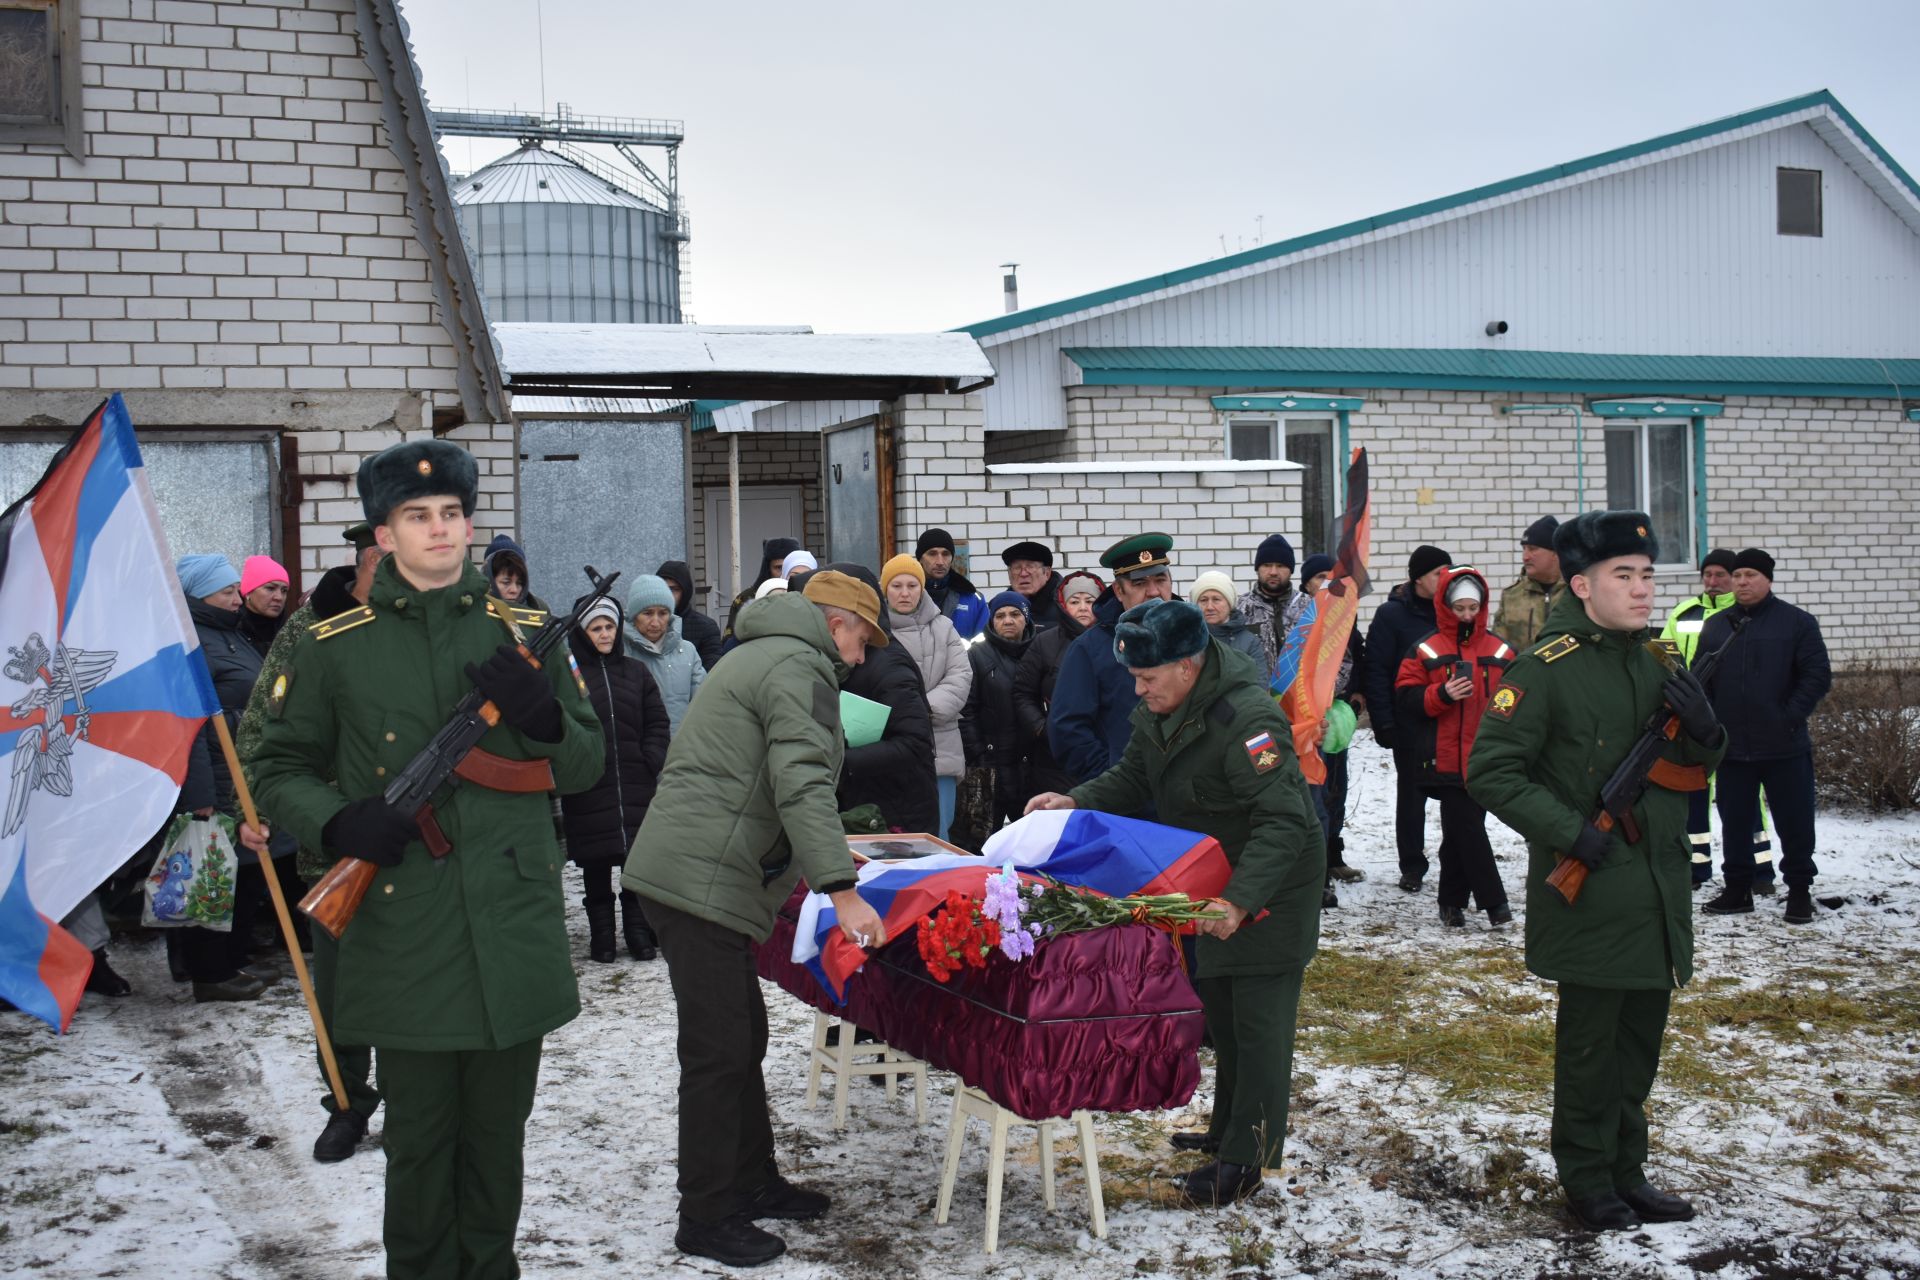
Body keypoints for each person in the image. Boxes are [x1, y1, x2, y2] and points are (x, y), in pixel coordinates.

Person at [251, 439, 604, 1279]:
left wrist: (545, 721)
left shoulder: (524, 632)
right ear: (385, 535)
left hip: (510, 930)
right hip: (403, 931)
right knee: (417, 1146)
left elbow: (586, 763)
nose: (439, 530)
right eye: (418, 517)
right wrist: (337, 824)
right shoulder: (330, 642)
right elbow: (271, 763)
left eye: (451, 514)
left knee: (497, 1142)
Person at [622, 572, 889, 1268]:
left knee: (743, 1036)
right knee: (718, 1051)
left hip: (703, 872)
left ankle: (750, 1181)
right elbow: (799, 781)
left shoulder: (763, 651)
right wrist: (842, 888)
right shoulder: (799, 665)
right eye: (862, 638)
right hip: (699, 878)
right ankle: (706, 1214)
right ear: (836, 625)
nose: (861, 657)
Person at [1468, 510, 1724, 1233]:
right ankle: (1586, 1177)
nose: (1643, 589)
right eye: (1624, 576)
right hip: (1592, 892)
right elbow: (1492, 771)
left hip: (1657, 891)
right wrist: (1570, 833)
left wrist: (1711, 736)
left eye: (1647, 575)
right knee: (1590, 1051)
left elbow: (1686, 770)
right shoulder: (1544, 671)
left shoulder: (1657, 660)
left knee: (1638, 1047)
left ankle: (1627, 1171)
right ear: (1581, 585)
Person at [1027, 599, 1323, 1207]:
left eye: (1148, 678)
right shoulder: (1162, 709)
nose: (1139, 690)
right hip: (1210, 878)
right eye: (1134, 678)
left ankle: (1249, 1158)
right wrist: (1074, 801)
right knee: (1222, 1010)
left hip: (1271, 882)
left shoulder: (1246, 719)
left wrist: (1241, 902)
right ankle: (1226, 1130)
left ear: (1188, 666)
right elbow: (1133, 776)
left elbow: (1284, 820)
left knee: (1259, 1021)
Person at [237, 520, 386, 1163]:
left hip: (420, 845)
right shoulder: (307, 630)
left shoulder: (424, 627)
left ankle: (416, 1104)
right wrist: (253, 800)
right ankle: (347, 1106)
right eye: (381, 558)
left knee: (415, 986)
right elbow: (262, 726)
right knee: (341, 991)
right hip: (332, 843)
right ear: (360, 562)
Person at [175, 552, 298, 1004]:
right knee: (214, 877)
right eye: (227, 591)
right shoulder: (194, 644)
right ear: (200, 594)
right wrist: (202, 795)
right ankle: (210, 972)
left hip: (245, 772)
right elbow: (191, 725)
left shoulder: (228, 636)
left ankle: (229, 959)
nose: (236, 598)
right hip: (217, 779)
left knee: (245, 874)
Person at [1696, 548, 1832, 924]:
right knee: (1735, 820)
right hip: (1733, 748)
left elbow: (1816, 675)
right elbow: (1700, 679)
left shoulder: (1796, 623)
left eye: (1750, 576)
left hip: (1783, 746)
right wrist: (1711, 724)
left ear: (1768, 580)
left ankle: (1799, 892)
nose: (1742, 582)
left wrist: (1787, 717)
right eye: (1737, 576)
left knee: (1795, 821)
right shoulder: (1718, 625)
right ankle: (1737, 888)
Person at [1394, 567, 1516, 928]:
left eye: (1472, 608)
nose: (1466, 615)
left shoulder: (1501, 650)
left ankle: (1450, 902)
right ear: (1446, 606)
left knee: (1461, 831)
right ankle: (1496, 903)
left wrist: (1502, 709)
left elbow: (1518, 696)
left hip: (1484, 755)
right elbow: (1405, 697)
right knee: (1468, 827)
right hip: (1442, 755)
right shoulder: (1427, 648)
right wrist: (1441, 695)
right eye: (1459, 608)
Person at [563, 592, 670, 964]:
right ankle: (603, 938)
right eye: (596, 628)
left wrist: (650, 759)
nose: (605, 634)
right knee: (595, 870)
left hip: (636, 785)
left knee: (635, 868)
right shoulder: (571, 677)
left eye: (610, 626)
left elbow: (657, 721)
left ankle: (639, 934)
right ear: (582, 632)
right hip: (590, 788)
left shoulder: (635, 673)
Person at [1660, 549, 1773, 890]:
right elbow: (1667, 656)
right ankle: (1696, 868)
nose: (1712, 581)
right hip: (1692, 718)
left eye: (1720, 575)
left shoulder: (1743, 615)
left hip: (1735, 719)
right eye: (1707, 574)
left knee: (1744, 795)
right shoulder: (1684, 612)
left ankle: (1760, 870)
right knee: (1693, 791)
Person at [1051, 535, 1178, 785]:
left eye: (1160, 580)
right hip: (1128, 806)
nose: (1153, 592)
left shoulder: (1193, 638)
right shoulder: (1090, 649)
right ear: (1119, 591)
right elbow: (1067, 731)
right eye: (1140, 583)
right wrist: (1115, 780)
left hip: (1192, 803)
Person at [1364, 545, 1452, 892]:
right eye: (1437, 573)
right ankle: (1412, 865)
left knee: (1455, 795)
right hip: (1409, 722)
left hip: (1449, 719)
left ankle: (1456, 860)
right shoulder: (1392, 615)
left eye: (1449, 571)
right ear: (1418, 578)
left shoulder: (1455, 612)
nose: (1445, 579)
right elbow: (1377, 669)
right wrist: (1383, 721)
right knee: (1412, 795)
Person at [828, 561, 940, 836]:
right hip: (864, 808)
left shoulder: (887, 664)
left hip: (898, 816)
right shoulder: (840, 660)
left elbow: (915, 742)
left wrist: (840, 760)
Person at [1286, 554, 1367, 888]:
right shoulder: (1298, 618)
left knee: (1335, 786)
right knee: (1308, 788)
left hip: (1332, 717)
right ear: (1307, 584)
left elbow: (1356, 658)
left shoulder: (1343, 619)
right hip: (1299, 719)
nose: (1326, 584)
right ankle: (1308, 863)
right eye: (1320, 577)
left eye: (1330, 578)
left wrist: (1347, 691)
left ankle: (1333, 854)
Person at [882, 552, 973, 841]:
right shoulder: (874, 630)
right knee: (891, 836)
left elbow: (960, 676)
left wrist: (921, 712)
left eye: (912, 585)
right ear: (885, 590)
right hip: (887, 745)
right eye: (897, 586)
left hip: (939, 745)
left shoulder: (943, 627)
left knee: (937, 833)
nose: (905, 593)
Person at [1013, 570, 1103, 796]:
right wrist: (1042, 728)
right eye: (1075, 601)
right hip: (1054, 757)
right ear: (1063, 604)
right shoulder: (1045, 643)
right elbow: (1023, 692)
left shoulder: (1114, 640)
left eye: (1090, 601)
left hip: (1103, 751)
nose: (1083, 607)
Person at [959, 590, 1035, 840]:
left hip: (1031, 764)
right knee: (981, 842)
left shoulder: (1040, 649)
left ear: (1026, 618)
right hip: (988, 764)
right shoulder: (977, 655)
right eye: (1000, 615)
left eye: (1015, 614)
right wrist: (979, 752)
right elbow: (967, 708)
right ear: (991, 621)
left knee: (1031, 841)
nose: (1008, 621)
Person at [625, 573, 707, 733]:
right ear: (634, 616)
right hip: (640, 750)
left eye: (663, 613)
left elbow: (704, 702)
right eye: (647, 613)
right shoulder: (622, 652)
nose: (655, 622)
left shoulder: (688, 651)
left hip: (682, 748)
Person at [1494, 516, 1565, 652]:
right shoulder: (1511, 596)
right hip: (1524, 672)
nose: (1525, 557)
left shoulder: (1577, 594)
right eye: (1524, 549)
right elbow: (1500, 648)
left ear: (1555, 553)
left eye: (1532, 549)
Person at [721, 536, 803, 648]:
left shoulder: (809, 595)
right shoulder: (747, 599)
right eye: (779, 568)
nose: (784, 573)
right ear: (768, 569)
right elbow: (730, 643)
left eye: (790, 569)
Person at [1235, 534, 1297, 671]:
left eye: (1280, 566)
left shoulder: (1309, 608)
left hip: (1301, 692)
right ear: (1258, 568)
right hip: (1254, 692)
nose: (1273, 572)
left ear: (1291, 570)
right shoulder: (1239, 609)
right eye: (1267, 565)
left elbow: (1335, 656)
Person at [917, 528, 987, 640]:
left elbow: (984, 646)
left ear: (952, 558)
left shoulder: (973, 599)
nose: (940, 562)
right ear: (920, 558)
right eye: (932, 554)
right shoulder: (907, 596)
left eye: (946, 554)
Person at [657, 559, 722, 671]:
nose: (667, 594)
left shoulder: (706, 628)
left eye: (674, 589)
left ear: (685, 592)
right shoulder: (646, 624)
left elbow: (711, 672)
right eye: (663, 587)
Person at [1191, 570, 1266, 663]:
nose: (1209, 607)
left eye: (1216, 599)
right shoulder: (1186, 641)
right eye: (1203, 600)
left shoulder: (1249, 643)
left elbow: (1259, 676)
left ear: (1229, 604)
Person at [1003, 539, 1066, 632]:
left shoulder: (1066, 604)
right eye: (1017, 568)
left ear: (1047, 573)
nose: (1023, 573)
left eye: (1030, 567)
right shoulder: (1001, 606)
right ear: (1009, 575)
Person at [237, 554, 291, 656]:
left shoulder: (292, 629)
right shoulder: (233, 630)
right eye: (270, 588)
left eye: (284, 590)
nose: (279, 597)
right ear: (248, 592)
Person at [483, 533, 543, 609]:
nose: (514, 590)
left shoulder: (539, 609)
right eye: (506, 582)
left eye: (519, 583)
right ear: (489, 580)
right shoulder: (474, 610)